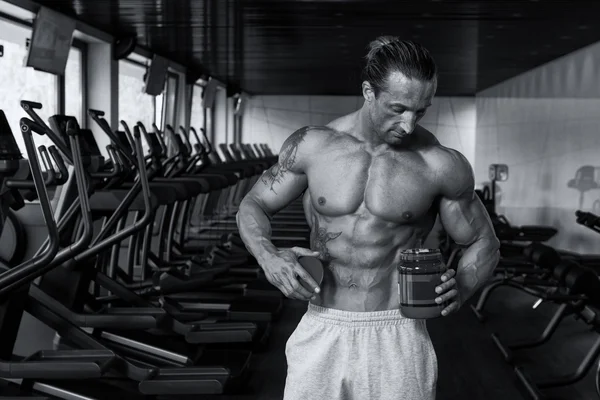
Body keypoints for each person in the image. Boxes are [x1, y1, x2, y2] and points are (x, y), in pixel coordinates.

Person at [236, 36, 500, 400]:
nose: (408, 124)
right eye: (398, 108)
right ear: (368, 92)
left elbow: (484, 241)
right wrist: (268, 256)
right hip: (323, 323)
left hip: (399, 332)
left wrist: (464, 287)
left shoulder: (440, 164)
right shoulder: (314, 145)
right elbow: (252, 205)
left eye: (420, 111)